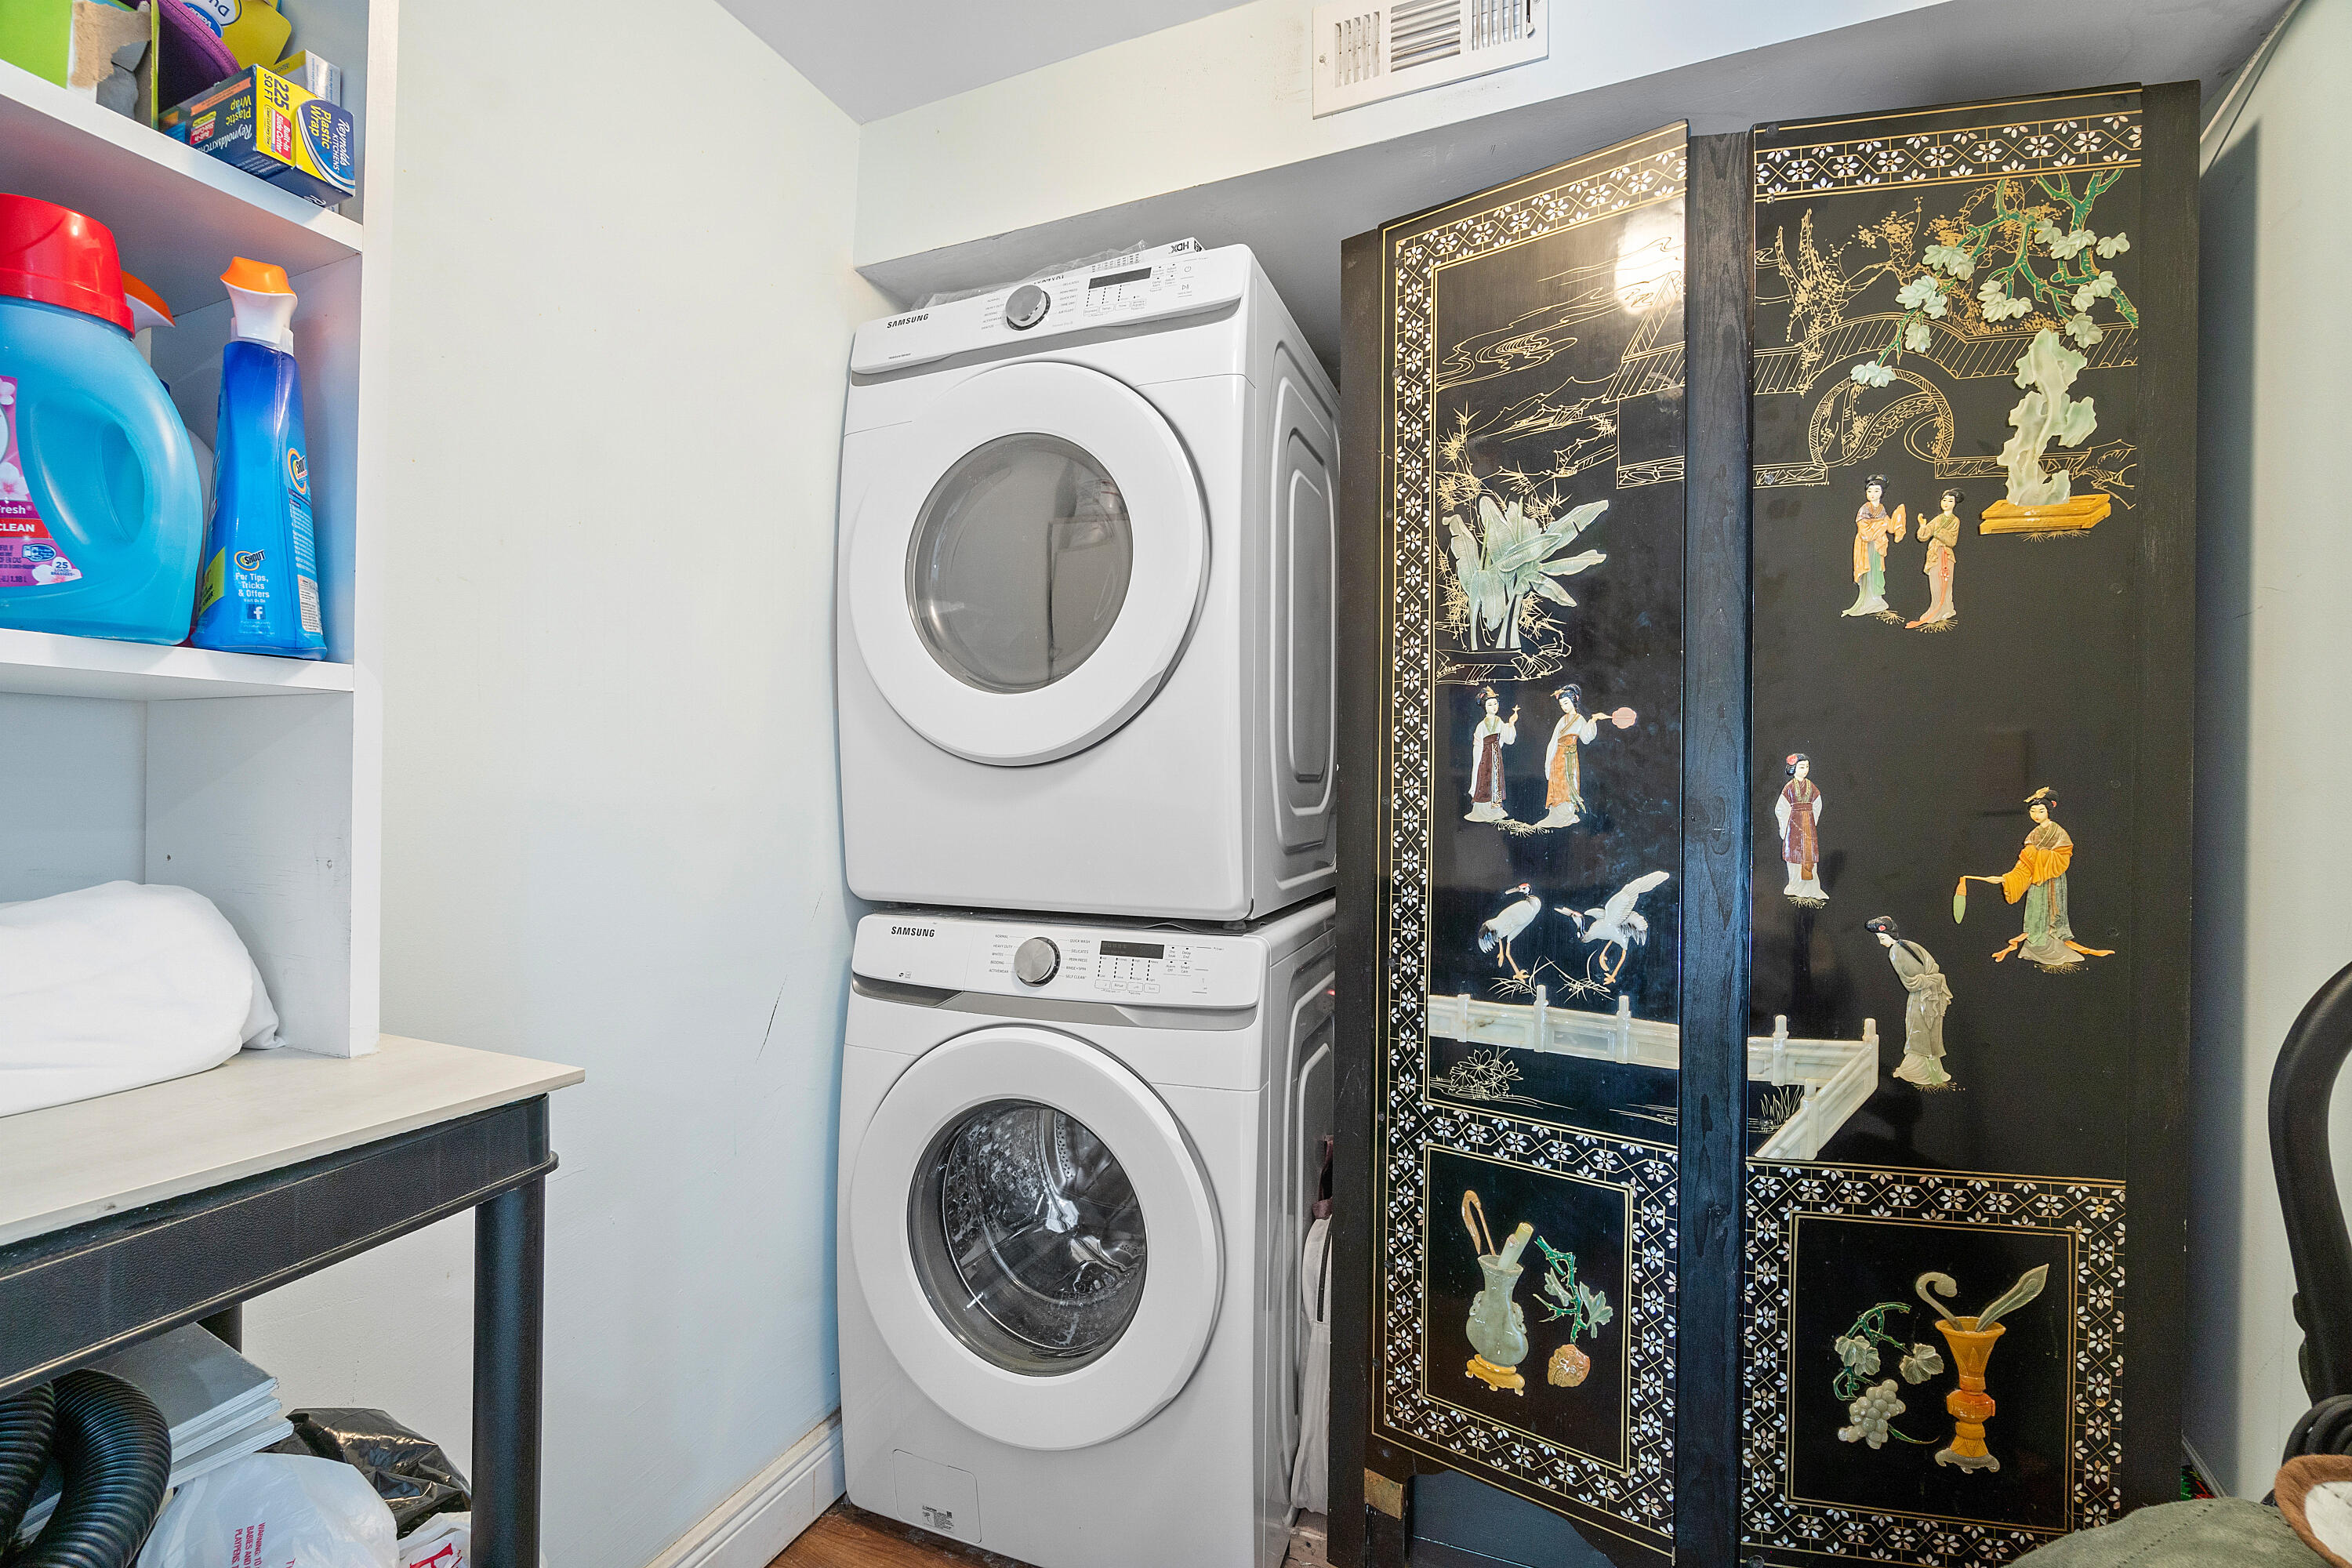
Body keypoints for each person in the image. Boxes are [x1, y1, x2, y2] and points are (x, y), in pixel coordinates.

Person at [1958, 787, 2116, 969]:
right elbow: (2025, 862)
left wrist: (2041, 857)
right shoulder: (2033, 834)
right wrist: (2007, 879)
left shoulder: (2058, 832)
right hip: (2036, 879)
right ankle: (2037, 944)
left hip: (2052, 876)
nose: (2036, 815)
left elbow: (2063, 855)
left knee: (2053, 910)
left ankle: (2054, 943)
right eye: (2033, 811)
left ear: (2049, 811)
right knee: (2035, 909)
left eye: (2041, 811)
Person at [1868, 916, 1954, 1087]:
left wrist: (1923, 981)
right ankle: (1933, 1072)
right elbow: (1929, 966)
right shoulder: (1909, 945)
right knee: (1927, 1031)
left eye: (1882, 938)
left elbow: (1911, 982)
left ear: (1890, 935)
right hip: (1931, 992)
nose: (1881, 943)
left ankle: (1920, 1072)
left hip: (1922, 996)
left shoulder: (1896, 951)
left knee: (1919, 1031)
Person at [1537, 684, 1628, 828]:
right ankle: (1554, 816)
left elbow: (1586, 738)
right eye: (1562, 704)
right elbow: (1554, 741)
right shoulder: (1562, 720)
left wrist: (1593, 721)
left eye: (1566, 703)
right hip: (1558, 757)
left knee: (1568, 785)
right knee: (1557, 785)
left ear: (1574, 702)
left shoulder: (1579, 719)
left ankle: (1567, 815)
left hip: (1569, 757)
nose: (1564, 707)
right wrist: (1548, 761)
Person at [1842, 474, 1907, 617]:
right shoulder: (1864, 509)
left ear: (1882, 493)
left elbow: (1890, 526)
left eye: (1876, 491)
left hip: (1877, 545)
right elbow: (1864, 531)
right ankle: (1867, 600)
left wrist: (1898, 516)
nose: (1872, 494)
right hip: (1866, 545)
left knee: (1877, 570)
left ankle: (1876, 599)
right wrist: (1881, 525)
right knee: (1868, 570)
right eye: (1870, 491)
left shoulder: (1881, 509)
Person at [1775, 753, 1826, 904]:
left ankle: (1811, 889)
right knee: (1794, 856)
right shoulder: (1789, 787)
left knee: (1809, 856)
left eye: (1807, 767)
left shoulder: (1811, 787)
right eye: (1802, 767)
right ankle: (1795, 886)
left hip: (1808, 826)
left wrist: (1811, 820)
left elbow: (1818, 804)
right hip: (1794, 825)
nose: (1805, 770)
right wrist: (1784, 827)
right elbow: (1780, 808)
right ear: (1794, 769)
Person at [1907, 488, 1962, 628]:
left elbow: (1952, 541)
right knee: (1935, 583)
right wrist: (1923, 526)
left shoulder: (1955, 521)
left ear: (1955, 503)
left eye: (1950, 501)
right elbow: (1924, 536)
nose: (1946, 503)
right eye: (1944, 500)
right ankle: (1936, 608)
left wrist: (1939, 533)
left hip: (1947, 554)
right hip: (1934, 554)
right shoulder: (1938, 519)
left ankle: (1947, 609)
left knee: (1946, 583)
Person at [1465, 687, 1518, 822]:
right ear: (1485, 707)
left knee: (1496, 780)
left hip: (1496, 756)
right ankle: (1482, 811)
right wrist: (1478, 761)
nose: (1494, 707)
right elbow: (1478, 745)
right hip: (1485, 757)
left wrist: (1511, 724)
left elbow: (1508, 739)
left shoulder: (1499, 722)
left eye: (1495, 704)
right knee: (1484, 781)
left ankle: (1495, 809)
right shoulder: (1481, 726)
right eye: (1490, 705)